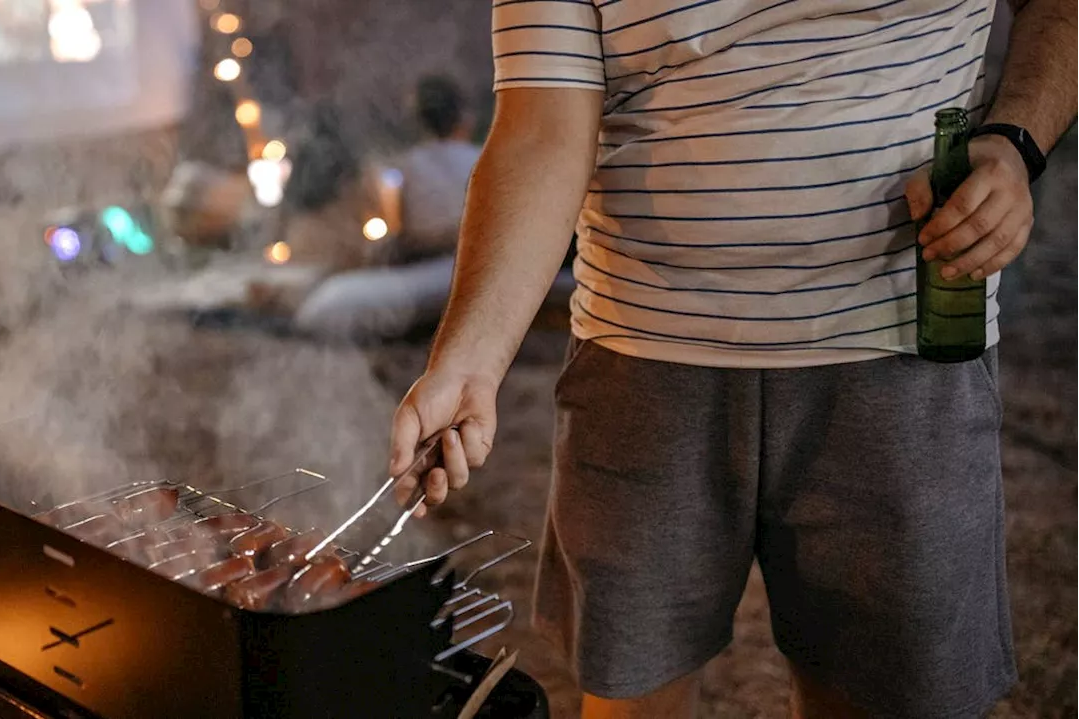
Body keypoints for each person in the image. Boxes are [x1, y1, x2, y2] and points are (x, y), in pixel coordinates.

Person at [388, 1, 1078, 718]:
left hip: (899, 345)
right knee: (629, 697)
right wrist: (467, 364)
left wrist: (1016, 139)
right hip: (640, 356)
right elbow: (541, 129)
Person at [291, 76, 483, 339]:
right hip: (467, 258)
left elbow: (406, 232)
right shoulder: (480, 158)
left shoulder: (409, 164)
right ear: (463, 118)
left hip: (443, 261)